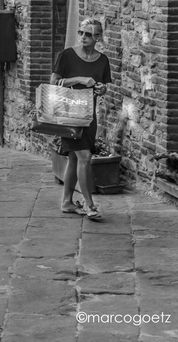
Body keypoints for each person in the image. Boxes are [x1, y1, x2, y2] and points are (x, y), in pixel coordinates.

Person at [51, 17, 111, 221]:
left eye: (88, 34)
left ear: (97, 38)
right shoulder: (67, 55)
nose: (83, 37)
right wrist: (78, 80)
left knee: (75, 158)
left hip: (88, 115)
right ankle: (90, 204)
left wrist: (101, 89)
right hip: (67, 114)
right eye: (81, 33)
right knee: (85, 157)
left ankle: (67, 202)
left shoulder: (102, 60)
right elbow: (53, 83)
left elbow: (102, 87)